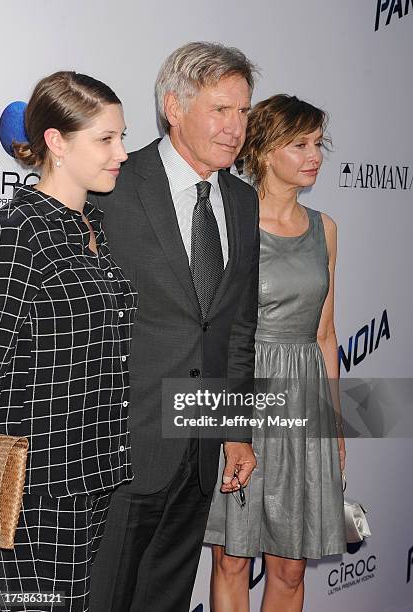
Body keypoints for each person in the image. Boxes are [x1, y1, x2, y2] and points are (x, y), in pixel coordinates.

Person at [89, 42, 259, 612]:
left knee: (166, 598)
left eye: (243, 112)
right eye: (221, 110)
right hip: (120, 444)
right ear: (173, 107)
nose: (236, 128)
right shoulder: (113, 187)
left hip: (200, 447)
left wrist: (236, 430)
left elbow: (236, 327)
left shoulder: (241, 200)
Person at [0, 71, 137, 612]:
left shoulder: (90, 224)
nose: (121, 152)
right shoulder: (21, 230)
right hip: (37, 489)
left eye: (121, 136)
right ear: (56, 142)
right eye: (105, 139)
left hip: (94, 471)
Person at [205, 94, 346, 612]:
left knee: (290, 564)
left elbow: (326, 333)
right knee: (233, 558)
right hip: (244, 390)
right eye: (300, 144)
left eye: (318, 144)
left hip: (305, 398)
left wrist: (334, 420)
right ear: (264, 152)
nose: (315, 156)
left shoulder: (325, 228)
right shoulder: (229, 222)